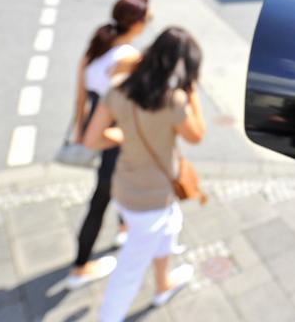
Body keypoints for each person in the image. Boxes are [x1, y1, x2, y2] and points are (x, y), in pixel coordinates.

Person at [84, 27, 206, 321]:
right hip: (151, 198)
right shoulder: (174, 100)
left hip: (127, 187)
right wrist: (192, 92)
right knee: (129, 271)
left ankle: (163, 285)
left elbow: (92, 140)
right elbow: (197, 135)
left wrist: (126, 135)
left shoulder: (120, 90)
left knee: (171, 226)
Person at [66, 0, 149, 289]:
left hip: (94, 129)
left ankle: (123, 227)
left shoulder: (94, 49)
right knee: (104, 193)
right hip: (116, 134)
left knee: (109, 187)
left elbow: (80, 97)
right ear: (136, 24)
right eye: (147, 20)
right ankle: (80, 267)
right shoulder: (128, 58)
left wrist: (80, 130)